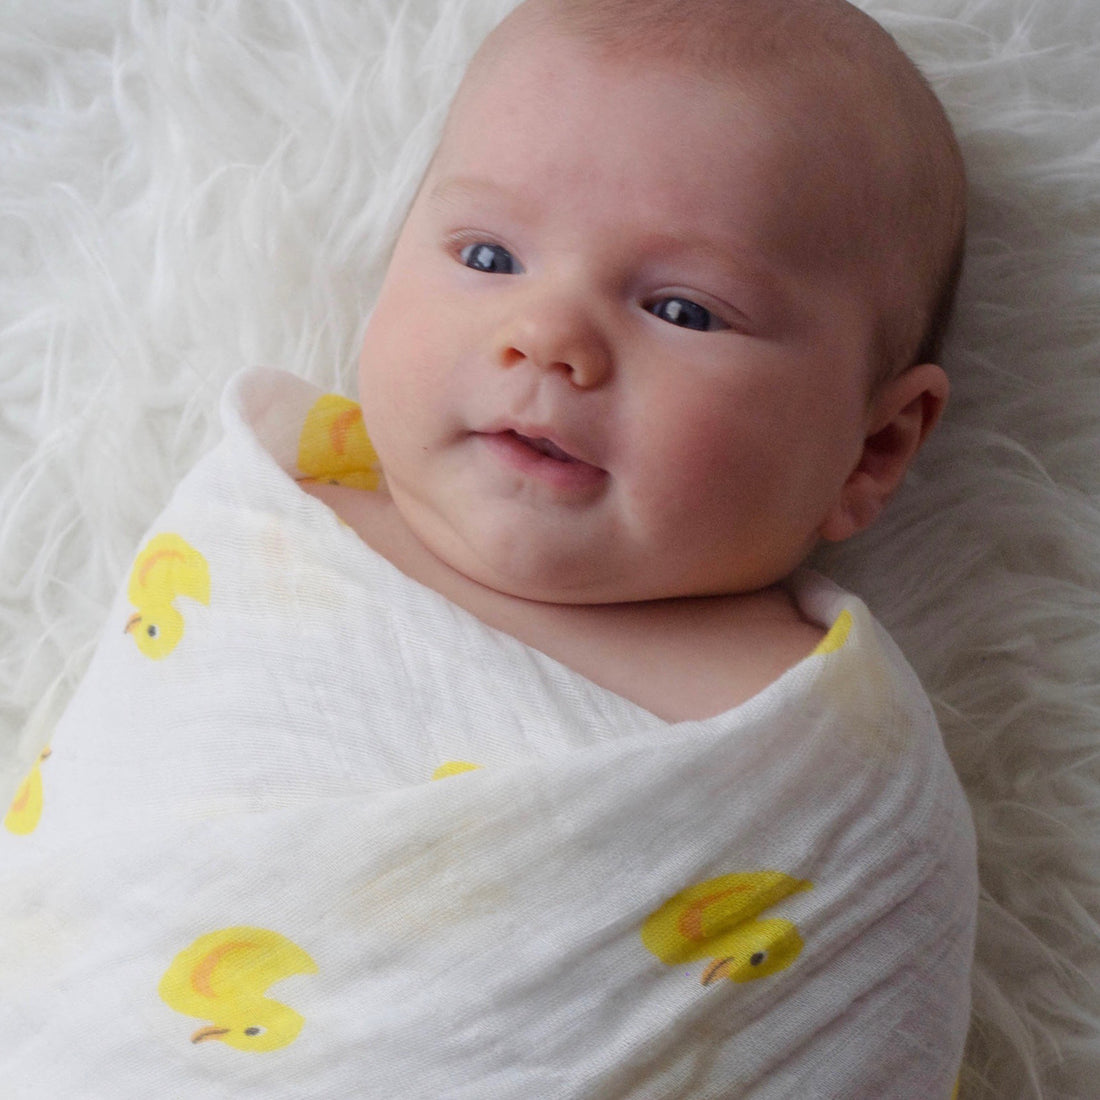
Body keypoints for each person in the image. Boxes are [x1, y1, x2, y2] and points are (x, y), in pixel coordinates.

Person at [0, 1, 976, 1096]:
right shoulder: (275, 521)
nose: (546, 334)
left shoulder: (835, 771)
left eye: (683, 310)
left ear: (872, 446)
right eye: (487, 253)